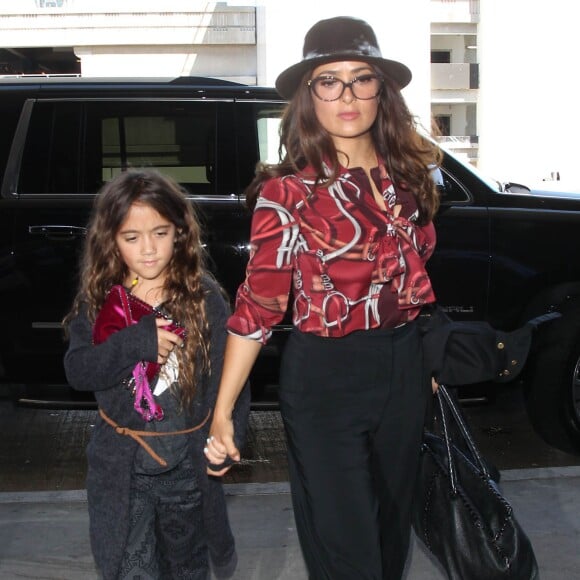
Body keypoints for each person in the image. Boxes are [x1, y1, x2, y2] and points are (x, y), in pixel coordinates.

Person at [204, 15, 442, 580]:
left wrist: (427, 359)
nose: (347, 95)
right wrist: (221, 412)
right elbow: (256, 309)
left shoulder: (406, 179)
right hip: (324, 379)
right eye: (328, 80)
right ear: (308, 95)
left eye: (362, 78)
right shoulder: (285, 193)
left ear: (382, 90)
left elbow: (415, 285)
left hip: (404, 370)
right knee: (347, 555)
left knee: (389, 542)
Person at [63, 169, 249, 580]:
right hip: (124, 471)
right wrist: (136, 342)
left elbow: (230, 381)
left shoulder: (205, 298)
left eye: (160, 234)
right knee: (133, 568)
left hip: (187, 467)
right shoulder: (100, 301)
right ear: (110, 240)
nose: (148, 250)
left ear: (180, 233)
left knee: (187, 567)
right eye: (132, 238)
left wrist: (229, 434)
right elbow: (78, 370)